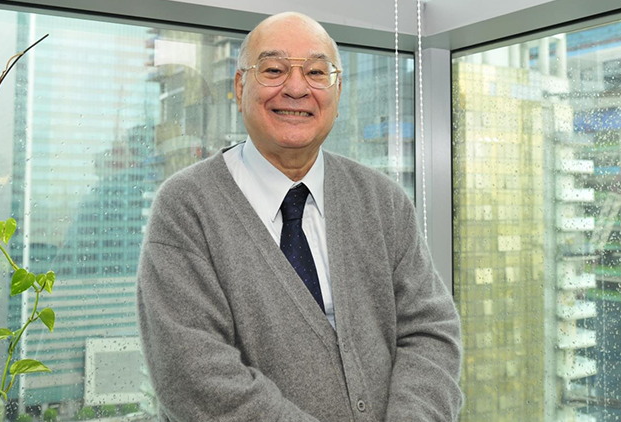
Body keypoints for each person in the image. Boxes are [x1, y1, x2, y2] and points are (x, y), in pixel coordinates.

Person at [137, 11, 463, 422]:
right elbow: (193, 376)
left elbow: (430, 330)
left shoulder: (384, 201)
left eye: (316, 72)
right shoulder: (186, 207)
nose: (295, 88)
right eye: (273, 70)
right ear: (239, 87)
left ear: (337, 92)